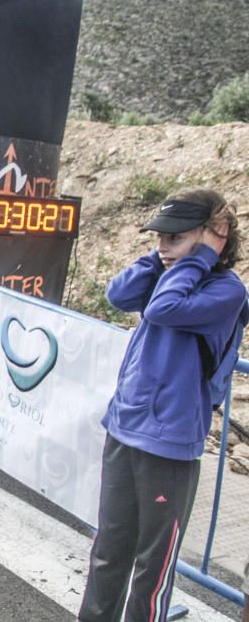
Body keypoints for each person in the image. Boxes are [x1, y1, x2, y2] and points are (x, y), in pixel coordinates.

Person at [78, 188, 249, 622]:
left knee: (153, 563)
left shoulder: (227, 290)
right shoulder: (168, 271)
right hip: (125, 425)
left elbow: (164, 310)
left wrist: (197, 259)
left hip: (169, 442)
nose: (162, 247)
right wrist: (163, 258)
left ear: (217, 235)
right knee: (111, 544)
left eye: (174, 237)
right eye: (158, 238)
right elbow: (118, 294)